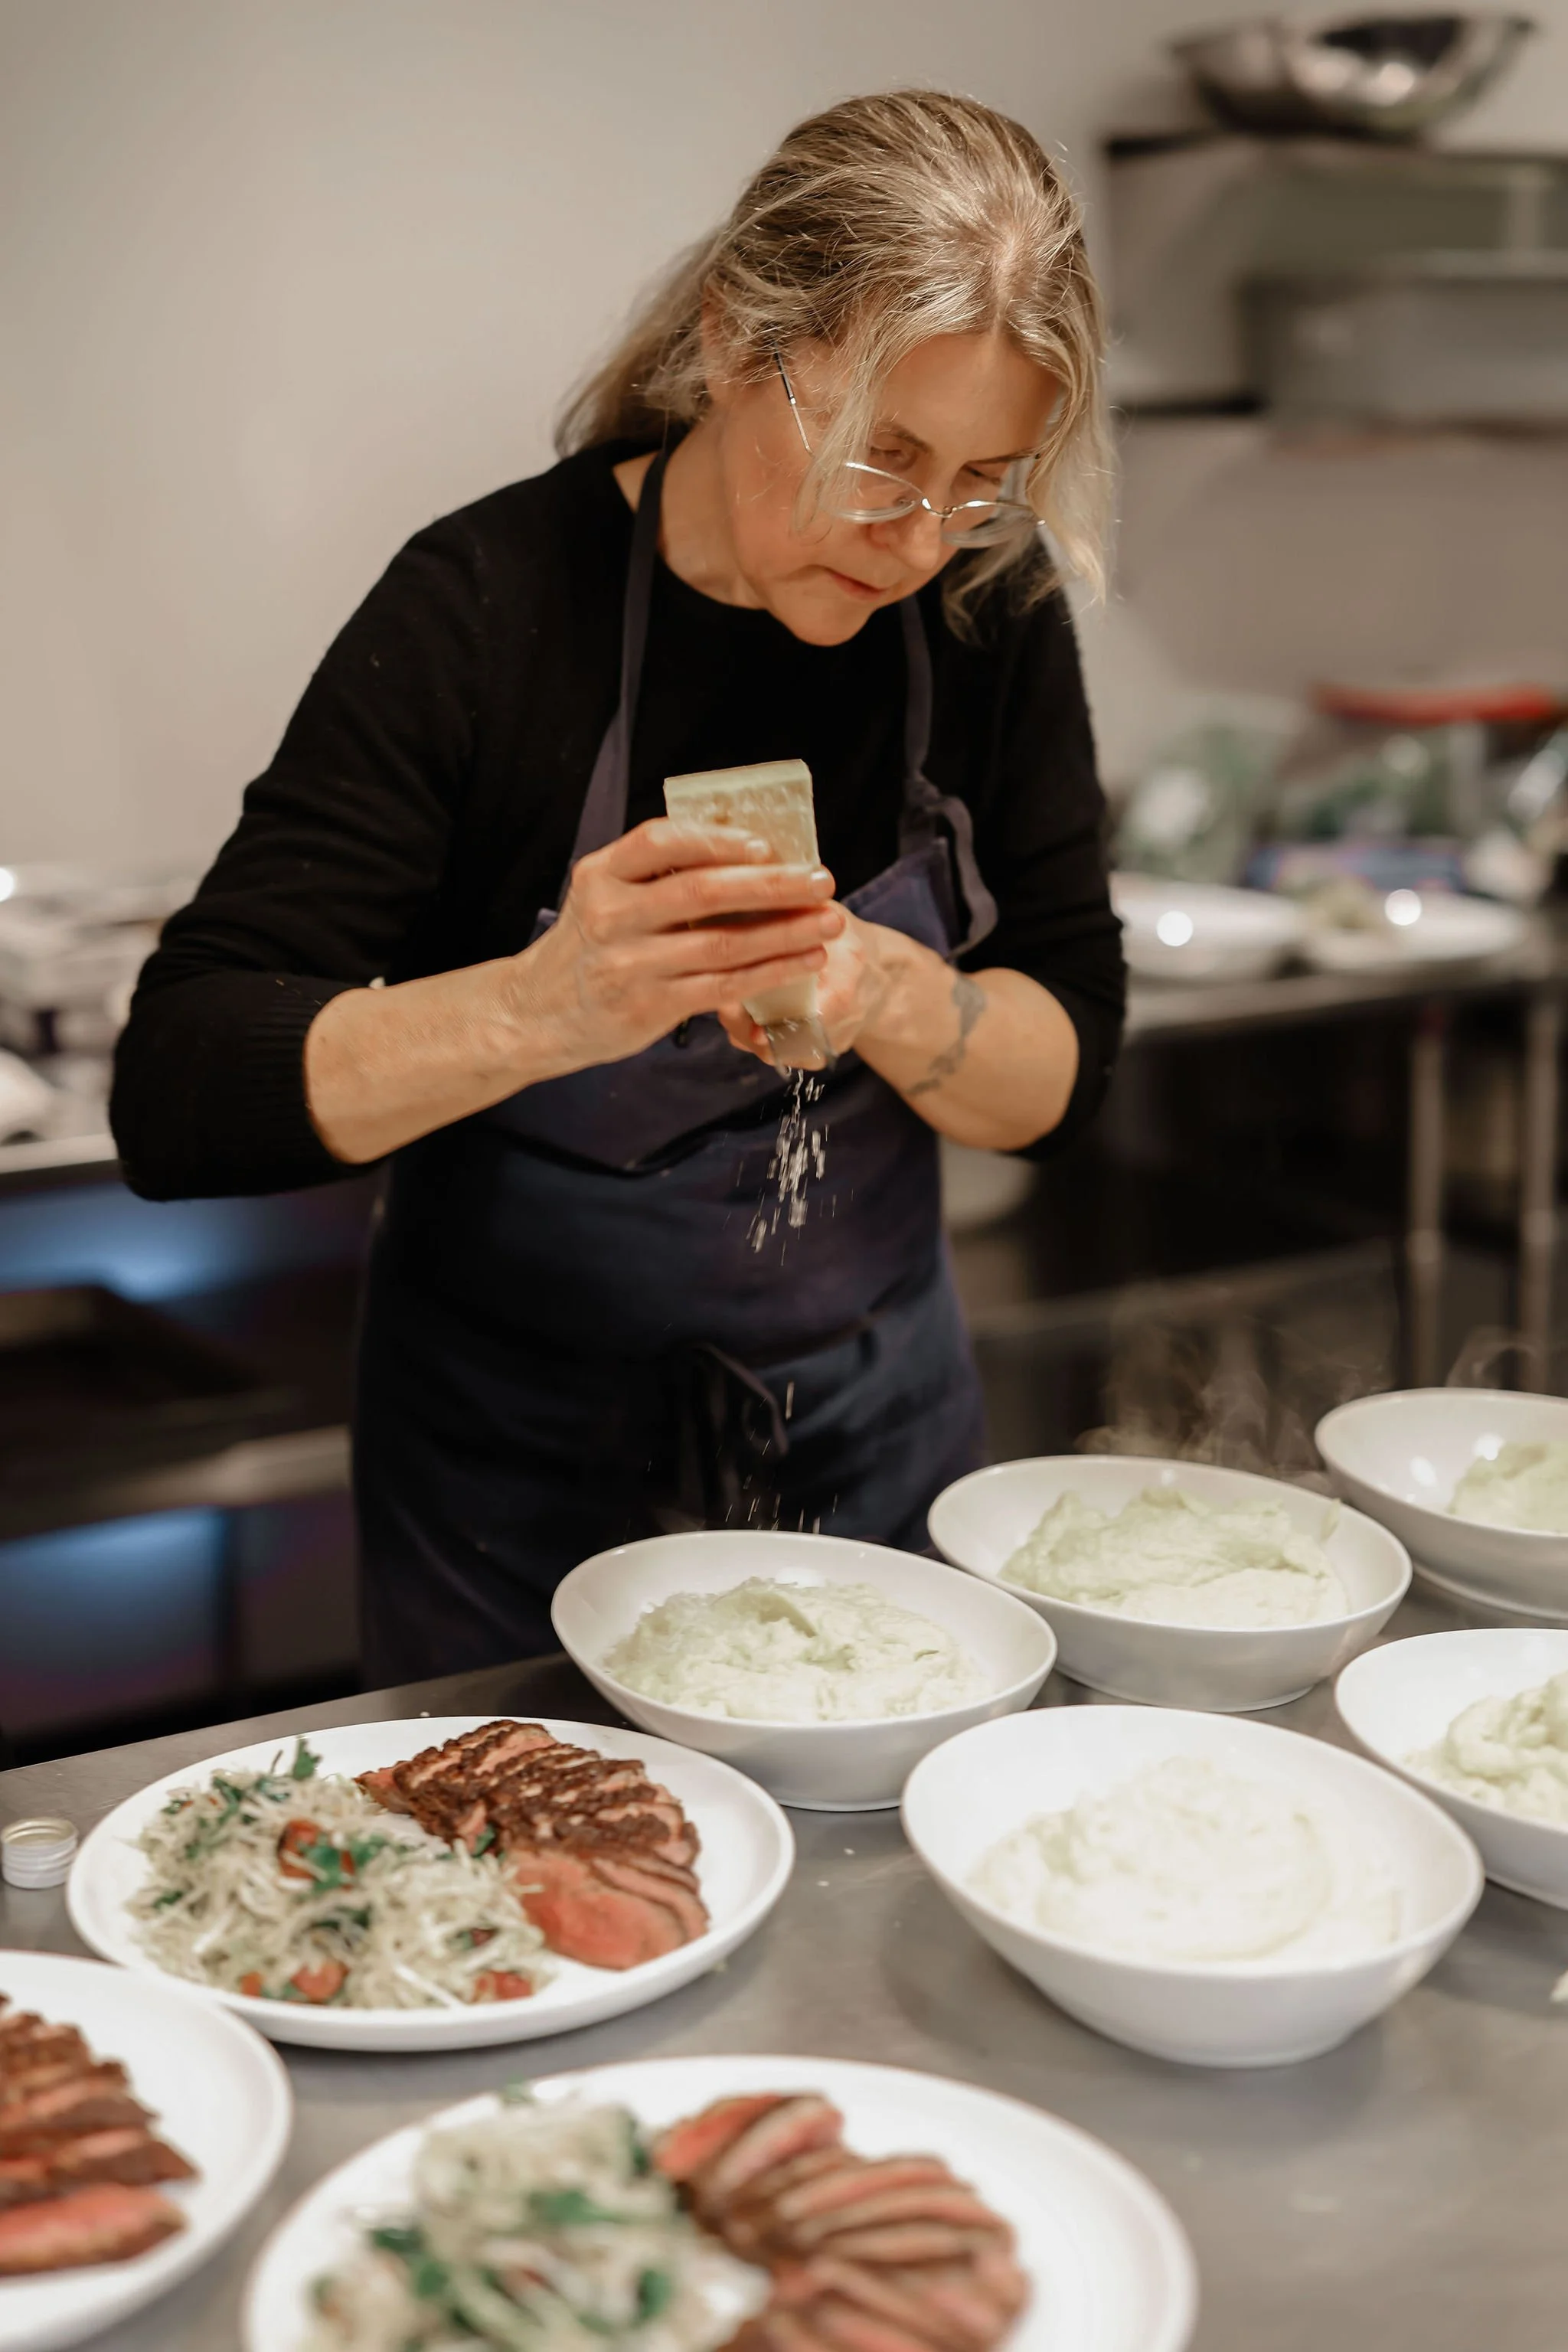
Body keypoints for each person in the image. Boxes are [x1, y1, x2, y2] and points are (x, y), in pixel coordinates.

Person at [112, 89, 1125, 1682]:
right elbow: (179, 1093)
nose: (920, 539)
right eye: (882, 456)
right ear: (734, 345)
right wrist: (541, 1005)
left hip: (873, 1429)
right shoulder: (490, 609)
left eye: (985, 478)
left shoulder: (986, 611)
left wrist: (889, 994)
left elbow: (1061, 1074)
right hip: (510, 1464)